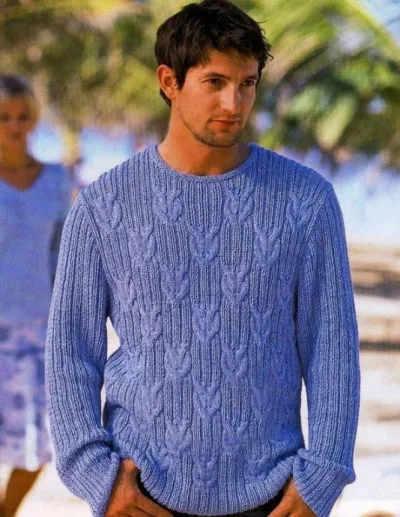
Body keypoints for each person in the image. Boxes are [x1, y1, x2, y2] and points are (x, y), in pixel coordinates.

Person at [45, 1, 361, 517]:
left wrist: (322, 475)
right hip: (139, 493)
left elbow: (331, 349)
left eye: (247, 83)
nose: (233, 103)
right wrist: (95, 475)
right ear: (169, 81)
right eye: (214, 82)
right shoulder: (104, 206)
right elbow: (70, 351)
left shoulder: (306, 201)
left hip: (274, 495)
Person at [0, 75, 72, 517]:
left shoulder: (56, 180)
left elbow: (65, 257)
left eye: (22, 116)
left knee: (38, 443)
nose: (14, 125)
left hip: (38, 333)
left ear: (34, 120)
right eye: (3, 117)